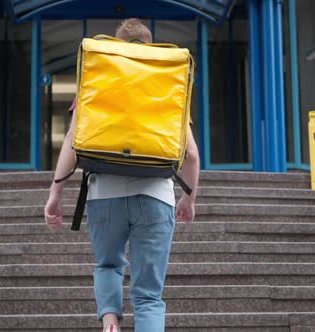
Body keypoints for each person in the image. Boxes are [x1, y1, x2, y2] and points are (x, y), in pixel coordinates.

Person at [44, 18, 200, 332]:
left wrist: (55, 194)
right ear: (150, 44)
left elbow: (73, 145)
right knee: (149, 297)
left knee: (108, 265)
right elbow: (192, 155)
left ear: (115, 46)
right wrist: (189, 198)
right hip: (156, 196)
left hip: (105, 196)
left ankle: (110, 321)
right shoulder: (166, 83)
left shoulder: (97, 80)